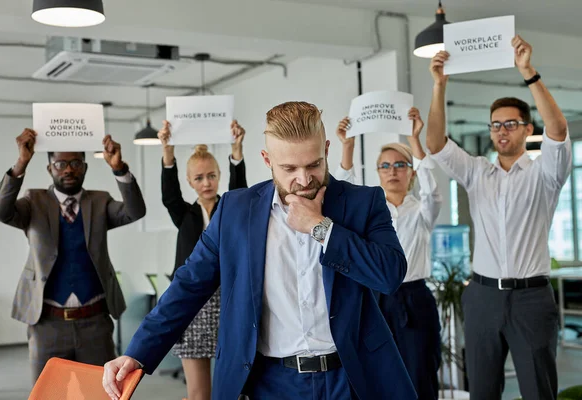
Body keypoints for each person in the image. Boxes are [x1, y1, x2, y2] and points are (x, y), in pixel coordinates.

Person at [102, 101, 417, 400]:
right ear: (267, 160)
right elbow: (188, 285)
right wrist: (136, 352)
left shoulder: (363, 202)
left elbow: (390, 274)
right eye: (289, 168)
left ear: (326, 150)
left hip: (350, 378)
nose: (304, 179)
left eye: (314, 164)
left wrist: (321, 227)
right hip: (269, 382)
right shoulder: (235, 211)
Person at [426, 35, 571, 400]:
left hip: (531, 299)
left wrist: (529, 73)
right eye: (495, 125)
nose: (501, 130)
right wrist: (439, 85)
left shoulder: (545, 175)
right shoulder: (477, 172)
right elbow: (435, 143)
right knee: (483, 391)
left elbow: (558, 131)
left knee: (539, 390)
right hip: (482, 297)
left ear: (527, 129)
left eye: (510, 124)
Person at [0, 129, 147, 382]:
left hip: (95, 321)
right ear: (49, 168)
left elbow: (135, 211)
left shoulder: (100, 201)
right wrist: (21, 163)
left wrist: (119, 169)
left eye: (75, 163)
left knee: (102, 393)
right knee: (49, 393)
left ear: (84, 167)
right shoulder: (34, 201)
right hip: (47, 323)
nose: (68, 169)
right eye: (60, 164)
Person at [334, 107, 442, 399]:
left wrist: (414, 139)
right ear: (378, 172)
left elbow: (432, 191)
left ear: (411, 172)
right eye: (385, 166)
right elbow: (346, 188)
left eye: (400, 165)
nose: (392, 171)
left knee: (420, 374)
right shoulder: (368, 213)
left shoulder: (421, 211)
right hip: (374, 300)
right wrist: (348, 145)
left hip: (414, 299)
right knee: (373, 376)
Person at [158, 119, 247, 400]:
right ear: (190, 182)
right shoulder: (184, 215)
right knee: (198, 394)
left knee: (234, 390)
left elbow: (240, 189)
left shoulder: (231, 208)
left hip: (230, 301)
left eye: (211, 175)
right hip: (193, 303)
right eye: (199, 178)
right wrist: (167, 151)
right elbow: (169, 196)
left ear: (219, 175)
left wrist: (236, 150)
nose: (206, 183)